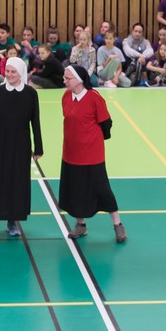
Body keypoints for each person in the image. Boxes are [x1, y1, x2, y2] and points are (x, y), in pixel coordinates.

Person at [58, 65, 125, 242]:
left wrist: (92, 140)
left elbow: (106, 123)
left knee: (103, 190)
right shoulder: (66, 97)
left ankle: (118, 224)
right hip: (71, 154)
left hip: (92, 155)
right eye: (64, 78)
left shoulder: (94, 97)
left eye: (68, 78)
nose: (65, 81)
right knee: (76, 190)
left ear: (79, 80)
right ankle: (81, 225)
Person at [0, 57, 42, 239]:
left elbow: (35, 122)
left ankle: (12, 221)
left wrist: (38, 148)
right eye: (7, 71)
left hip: (20, 144)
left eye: (13, 71)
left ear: (21, 73)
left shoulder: (30, 94)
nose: (9, 74)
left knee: (17, 182)